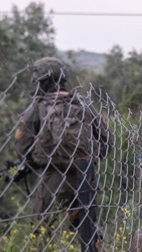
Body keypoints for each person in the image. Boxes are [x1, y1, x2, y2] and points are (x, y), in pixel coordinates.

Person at [14, 57, 109, 228]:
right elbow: (106, 140)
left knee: (41, 227)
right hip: (85, 173)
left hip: (53, 174)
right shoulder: (83, 103)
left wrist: (33, 161)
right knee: (86, 226)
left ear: (40, 80)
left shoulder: (38, 106)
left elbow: (22, 145)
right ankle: (92, 251)